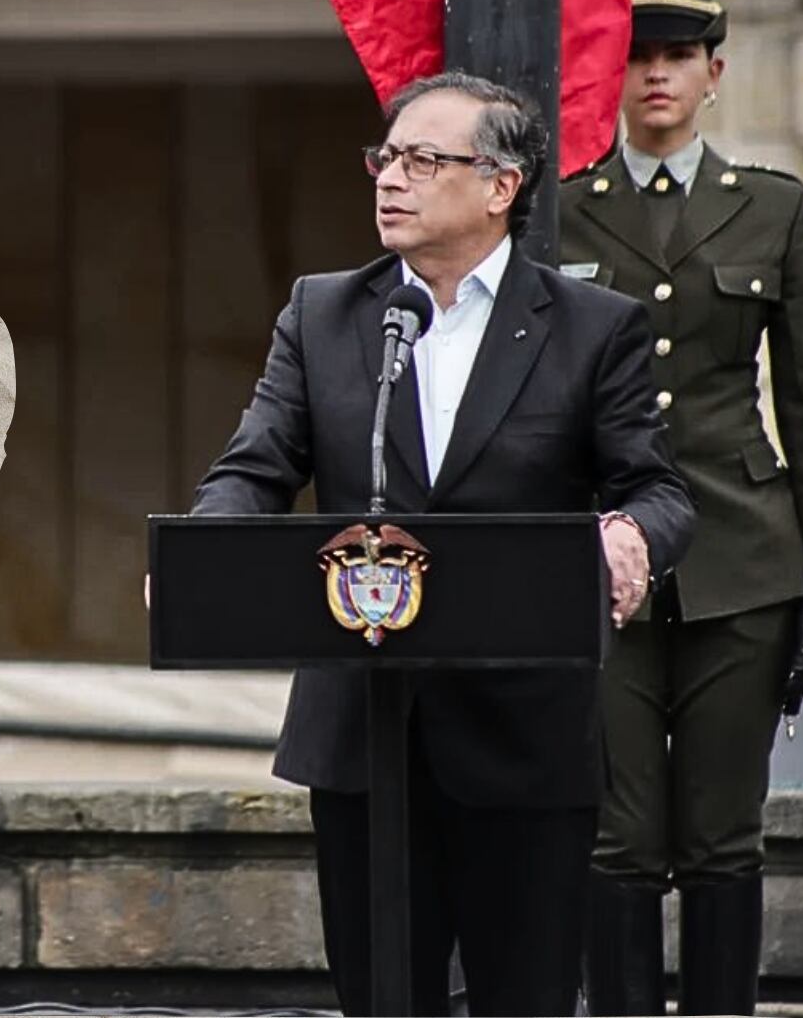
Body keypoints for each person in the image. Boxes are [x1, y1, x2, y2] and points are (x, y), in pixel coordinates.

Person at [188, 71, 695, 1016]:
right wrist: (208, 556)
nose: (391, 178)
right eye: (387, 157)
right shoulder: (325, 313)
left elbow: (658, 490)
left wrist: (626, 536)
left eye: (426, 160)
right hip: (364, 733)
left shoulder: (593, 329)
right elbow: (253, 470)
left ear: (501, 185)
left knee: (525, 999)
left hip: (524, 736)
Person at [559, 0, 803, 1017]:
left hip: (744, 553)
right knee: (619, 833)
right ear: (612, 72)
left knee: (726, 832)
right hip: (608, 562)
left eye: (677, 56)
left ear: (713, 73)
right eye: (638, 56)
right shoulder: (562, 212)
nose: (656, 75)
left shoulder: (769, 207)